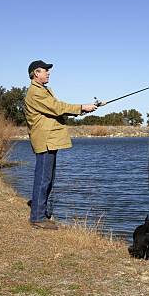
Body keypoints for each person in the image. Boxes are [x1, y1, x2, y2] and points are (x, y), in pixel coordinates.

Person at [24, 60, 97, 230]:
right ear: (36, 73)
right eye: (45, 71)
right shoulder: (35, 92)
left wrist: (82, 110)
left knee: (48, 179)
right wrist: (81, 107)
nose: (48, 73)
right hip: (45, 141)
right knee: (43, 179)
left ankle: (40, 214)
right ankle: (37, 218)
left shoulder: (44, 90)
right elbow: (57, 108)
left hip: (50, 140)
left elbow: (54, 111)